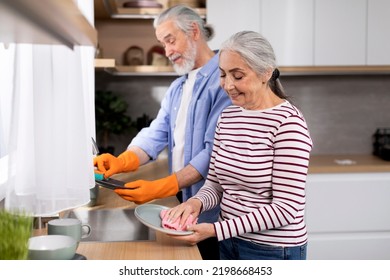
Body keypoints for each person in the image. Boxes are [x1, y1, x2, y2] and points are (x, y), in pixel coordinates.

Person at [93, 5, 231, 260]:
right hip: (181, 200)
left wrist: (164, 186)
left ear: (194, 31)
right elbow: (155, 133)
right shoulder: (178, 87)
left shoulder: (224, 80)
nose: (167, 51)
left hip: (212, 208)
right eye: (162, 43)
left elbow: (216, 152)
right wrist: (123, 161)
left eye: (170, 40)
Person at [161, 31, 313, 260]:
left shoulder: (288, 124)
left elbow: (286, 208)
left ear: (266, 72)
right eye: (222, 75)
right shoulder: (228, 117)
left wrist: (215, 230)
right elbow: (215, 183)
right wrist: (195, 204)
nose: (228, 85)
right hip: (229, 244)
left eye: (238, 75)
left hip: (272, 251)